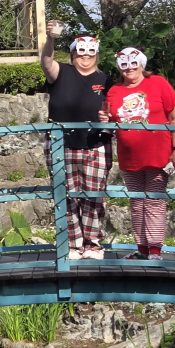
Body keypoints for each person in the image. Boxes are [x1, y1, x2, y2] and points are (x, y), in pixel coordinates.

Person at [100, 47, 175, 261]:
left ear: (141, 64)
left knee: (154, 201)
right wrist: (104, 120)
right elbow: (110, 120)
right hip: (130, 157)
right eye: (124, 64)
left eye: (133, 63)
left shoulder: (158, 83)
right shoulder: (115, 91)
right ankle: (142, 248)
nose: (129, 68)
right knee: (137, 202)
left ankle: (155, 250)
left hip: (158, 155)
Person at [41, 22, 112, 259]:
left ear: (97, 54)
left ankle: (93, 243)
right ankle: (73, 243)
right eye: (80, 51)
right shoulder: (62, 72)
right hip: (62, 144)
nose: (86, 56)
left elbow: (114, 109)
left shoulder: (105, 79)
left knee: (94, 195)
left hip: (96, 143)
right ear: (72, 53)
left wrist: (108, 116)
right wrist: (51, 39)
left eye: (91, 52)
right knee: (67, 194)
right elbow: (46, 62)